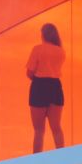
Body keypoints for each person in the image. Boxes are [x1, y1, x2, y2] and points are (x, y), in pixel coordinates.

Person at [26, 23, 65, 153]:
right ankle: (62, 155)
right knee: (56, 127)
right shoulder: (60, 51)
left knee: (38, 130)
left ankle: (36, 159)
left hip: (39, 86)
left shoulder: (37, 49)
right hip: (55, 87)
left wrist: (38, 78)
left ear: (43, 34)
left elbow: (29, 72)